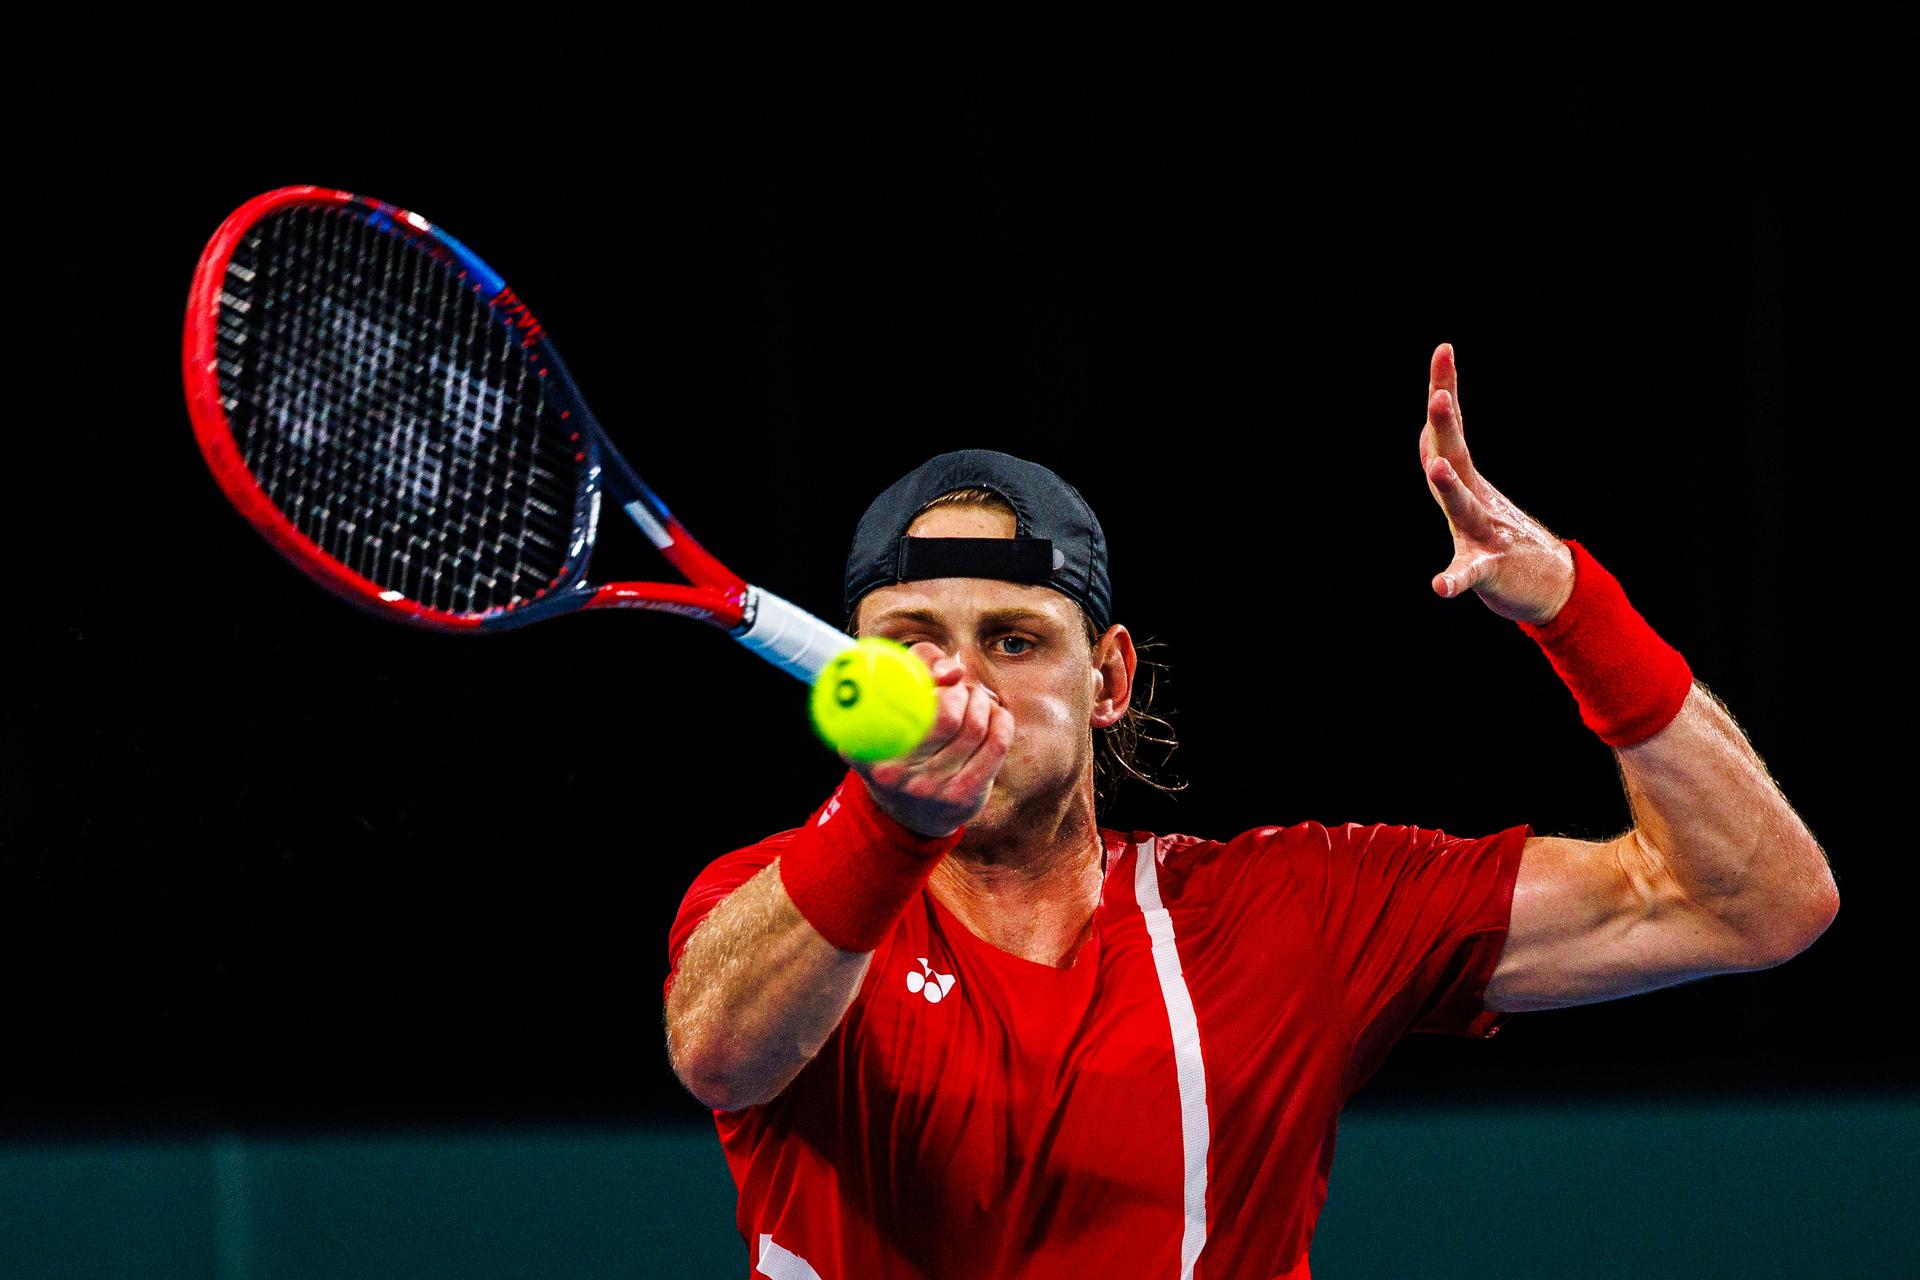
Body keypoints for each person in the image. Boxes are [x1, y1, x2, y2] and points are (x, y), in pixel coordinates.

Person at [662, 344, 1837, 1280]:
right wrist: (890, 826)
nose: (959, 683)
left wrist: (1575, 608)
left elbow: (1754, 901)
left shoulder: (1291, 912)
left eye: (1015, 641)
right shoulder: (770, 911)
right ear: (859, 687)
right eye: (913, 647)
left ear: (1110, 679)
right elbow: (718, 1053)